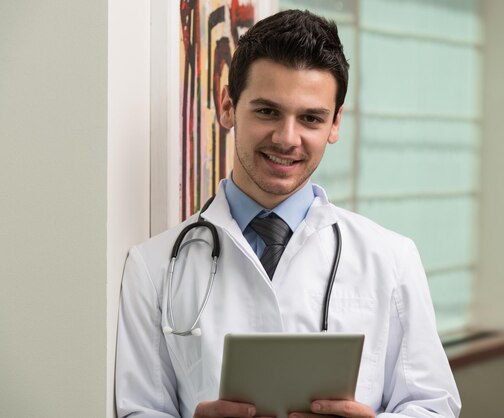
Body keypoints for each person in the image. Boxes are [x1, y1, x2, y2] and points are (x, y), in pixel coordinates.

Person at [115, 9, 461, 418]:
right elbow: (139, 409)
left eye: (310, 118)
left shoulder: (392, 257)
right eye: (267, 111)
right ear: (228, 106)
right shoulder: (153, 267)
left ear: (335, 124)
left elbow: (434, 407)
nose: (287, 138)